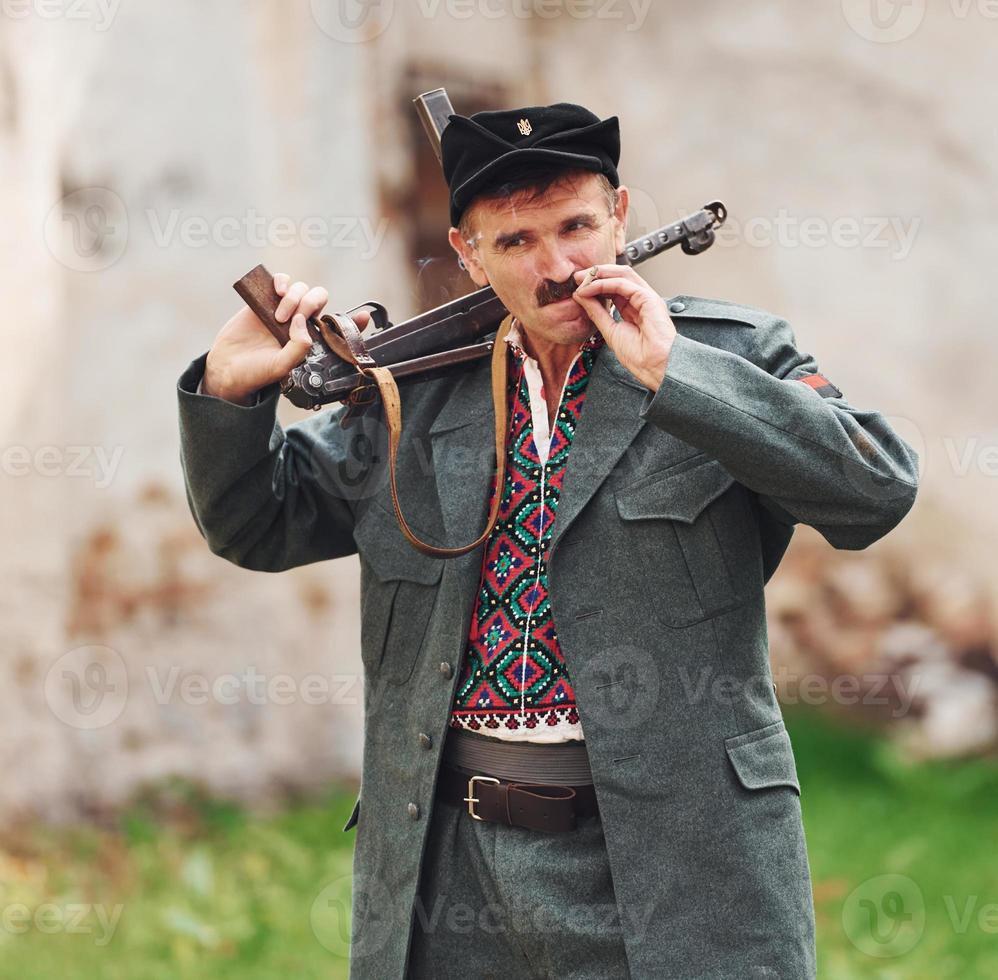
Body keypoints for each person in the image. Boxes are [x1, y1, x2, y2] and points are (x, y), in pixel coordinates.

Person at [177, 100, 920, 979]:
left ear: (621, 215)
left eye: (576, 227)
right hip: (450, 870)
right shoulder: (415, 396)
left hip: (675, 864)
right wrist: (229, 396)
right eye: (517, 241)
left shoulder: (728, 354)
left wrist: (674, 374)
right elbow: (258, 522)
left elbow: (875, 489)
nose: (558, 266)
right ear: (468, 253)